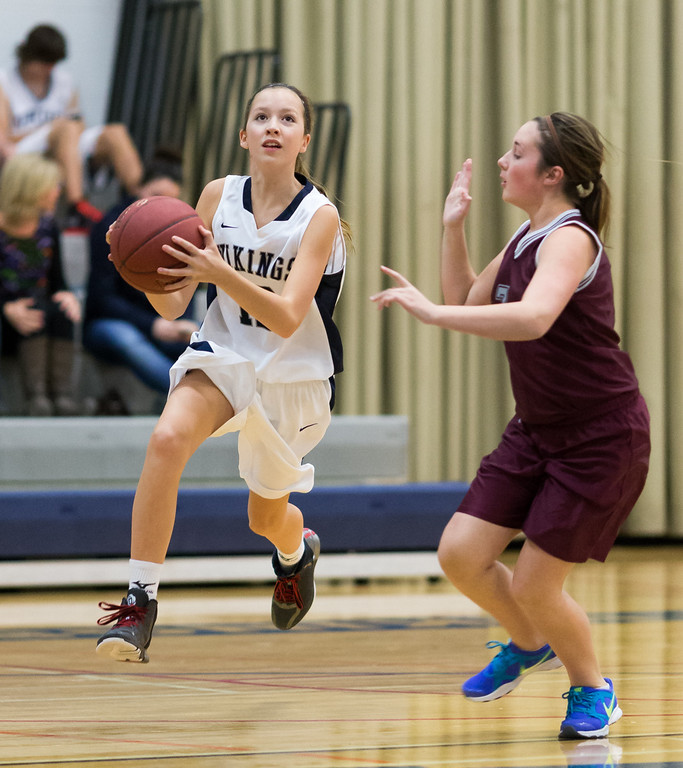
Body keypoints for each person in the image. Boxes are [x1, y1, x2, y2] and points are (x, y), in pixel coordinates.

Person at [371, 112, 650, 740]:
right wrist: (453, 228)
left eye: (516, 152)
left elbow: (533, 318)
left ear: (552, 174)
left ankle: (593, 690)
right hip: (537, 430)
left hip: (601, 437)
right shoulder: (526, 237)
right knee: (461, 555)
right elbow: (465, 300)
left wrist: (432, 316)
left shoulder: (569, 238)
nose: (502, 160)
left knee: (535, 583)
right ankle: (528, 644)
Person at [96, 83, 348, 662]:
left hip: (294, 376)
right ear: (243, 134)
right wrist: (143, 273)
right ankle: (140, 601)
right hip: (225, 356)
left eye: (287, 119)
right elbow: (173, 306)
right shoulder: (217, 196)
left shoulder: (320, 216)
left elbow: (286, 318)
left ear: (303, 140)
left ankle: (296, 552)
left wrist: (219, 271)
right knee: (166, 439)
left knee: (267, 519)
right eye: (261, 116)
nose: (273, 126)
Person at [84, 150, 199, 408]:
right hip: (110, 325)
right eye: (155, 194)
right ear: (139, 189)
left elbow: (184, 286)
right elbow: (101, 299)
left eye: (171, 198)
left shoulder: (179, 230)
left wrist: (182, 323)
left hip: (164, 324)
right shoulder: (110, 227)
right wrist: (152, 325)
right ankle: (187, 402)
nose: (162, 203)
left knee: (208, 333)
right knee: (128, 340)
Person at [0, 24, 143, 227]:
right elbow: (4, 139)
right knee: (66, 128)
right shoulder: (5, 81)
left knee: (115, 132)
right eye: (44, 62)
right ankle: (76, 205)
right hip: (22, 150)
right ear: (28, 56)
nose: (48, 69)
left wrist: (64, 133)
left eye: (53, 63)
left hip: (66, 145)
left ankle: (138, 198)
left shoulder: (64, 81)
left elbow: (78, 123)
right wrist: (52, 129)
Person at [0, 152, 81, 415]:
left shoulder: (47, 226)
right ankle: (35, 398)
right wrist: (7, 309)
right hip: (6, 316)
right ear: (30, 188)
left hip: (38, 312)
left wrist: (68, 295)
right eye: (52, 186)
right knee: (36, 310)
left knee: (60, 309)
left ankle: (60, 397)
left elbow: (58, 283)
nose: (58, 192)